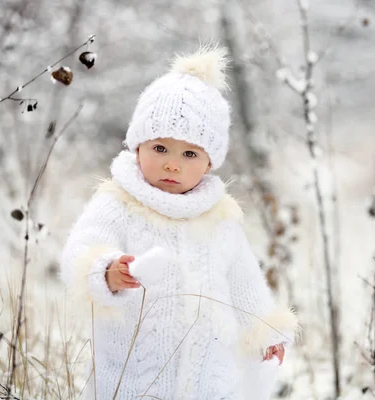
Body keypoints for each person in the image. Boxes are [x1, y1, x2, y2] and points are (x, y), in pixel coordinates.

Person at [59, 45, 299, 400]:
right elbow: (80, 251)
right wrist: (107, 270)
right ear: (137, 146)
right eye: (160, 149)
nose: (173, 164)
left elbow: (243, 280)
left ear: (209, 162)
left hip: (209, 375)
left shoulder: (219, 217)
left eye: (189, 154)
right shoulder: (117, 202)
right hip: (135, 375)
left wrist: (265, 331)